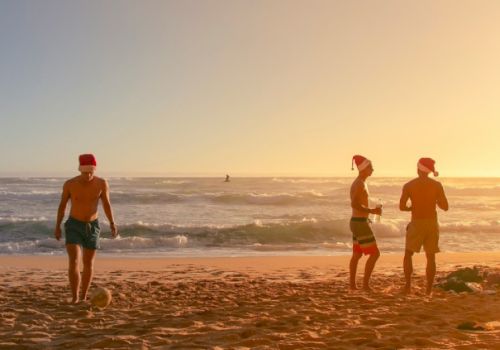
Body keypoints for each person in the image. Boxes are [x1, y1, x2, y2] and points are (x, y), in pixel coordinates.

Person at [54, 154, 118, 303]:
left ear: (94, 170)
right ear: (80, 170)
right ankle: (75, 297)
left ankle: (83, 297)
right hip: (73, 225)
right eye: (85, 172)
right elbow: (62, 206)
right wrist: (57, 226)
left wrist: (112, 222)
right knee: (74, 261)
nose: (88, 175)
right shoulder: (70, 184)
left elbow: (106, 204)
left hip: (92, 226)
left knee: (88, 263)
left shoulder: (102, 183)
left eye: (91, 171)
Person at [400, 157, 448, 295]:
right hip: (432, 223)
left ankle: (408, 286)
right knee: (431, 257)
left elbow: (401, 207)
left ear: (418, 169)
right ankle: (428, 290)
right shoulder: (437, 185)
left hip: (417, 222)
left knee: (408, 254)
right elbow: (445, 207)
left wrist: (412, 208)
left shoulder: (409, 185)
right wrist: (436, 201)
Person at [349, 155, 382, 291]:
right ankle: (365, 285)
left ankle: (352, 285)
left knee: (356, 255)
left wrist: (370, 212)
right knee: (375, 254)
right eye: (370, 167)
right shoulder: (359, 184)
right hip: (360, 223)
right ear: (364, 169)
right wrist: (372, 210)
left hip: (357, 222)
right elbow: (355, 204)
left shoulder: (361, 182)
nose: (373, 170)